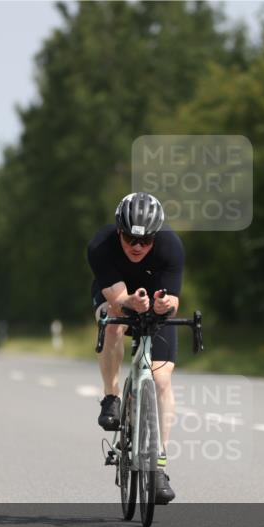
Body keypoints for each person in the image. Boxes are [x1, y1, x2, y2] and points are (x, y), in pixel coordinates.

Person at [87, 192, 184, 504]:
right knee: (113, 322)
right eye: (130, 238)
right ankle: (111, 396)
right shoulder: (101, 246)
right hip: (115, 296)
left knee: (161, 380)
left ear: (156, 237)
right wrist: (130, 302)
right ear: (119, 232)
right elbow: (118, 300)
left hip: (155, 305)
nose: (137, 246)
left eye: (146, 241)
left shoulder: (171, 246)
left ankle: (158, 466)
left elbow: (175, 301)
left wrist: (164, 304)